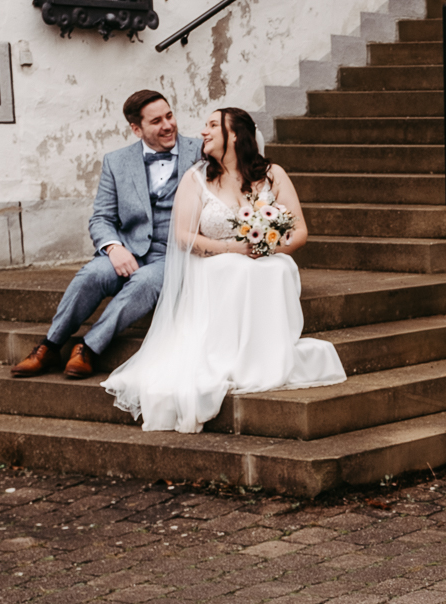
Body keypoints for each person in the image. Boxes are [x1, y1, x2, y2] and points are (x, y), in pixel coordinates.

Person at [101, 106, 345, 432]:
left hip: (263, 258)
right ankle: (234, 355)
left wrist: (267, 247)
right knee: (238, 269)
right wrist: (234, 248)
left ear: (235, 135)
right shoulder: (196, 178)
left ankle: (264, 354)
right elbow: (184, 235)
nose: (203, 132)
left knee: (277, 268)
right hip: (212, 262)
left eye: (213, 125)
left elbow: (299, 231)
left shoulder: (272, 174)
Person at [12, 90, 203, 379]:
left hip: (174, 253)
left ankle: (88, 348)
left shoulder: (200, 151)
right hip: (127, 249)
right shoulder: (116, 161)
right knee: (91, 274)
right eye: (156, 121)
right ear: (136, 129)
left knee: (144, 282)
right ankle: (50, 346)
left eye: (169, 115)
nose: (167, 125)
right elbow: (101, 217)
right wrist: (114, 247)